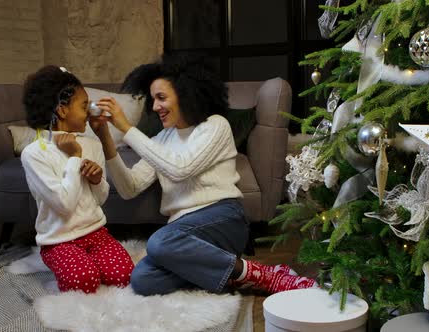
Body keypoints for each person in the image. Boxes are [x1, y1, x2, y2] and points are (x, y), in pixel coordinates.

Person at [89, 54, 317, 295]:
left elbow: (180, 169)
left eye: (161, 98)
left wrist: (127, 128)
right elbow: (129, 188)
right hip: (184, 232)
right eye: (153, 99)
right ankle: (228, 271)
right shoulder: (161, 139)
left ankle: (262, 275)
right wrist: (106, 137)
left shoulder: (215, 126)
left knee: (158, 243)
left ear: (185, 94)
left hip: (221, 217)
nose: (155, 107)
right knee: (143, 280)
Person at [20, 65, 134, 293]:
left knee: (125, 275)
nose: (89, 112)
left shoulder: (91, 145)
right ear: (62, 111)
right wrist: (74, 157)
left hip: (96, 233)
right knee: (83, 280)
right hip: (59, 240)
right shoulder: (34, 154)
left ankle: (85, 260)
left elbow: (100, 199)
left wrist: (97, 180)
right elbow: (64, 205)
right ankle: (61, 261)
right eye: (84, 105)